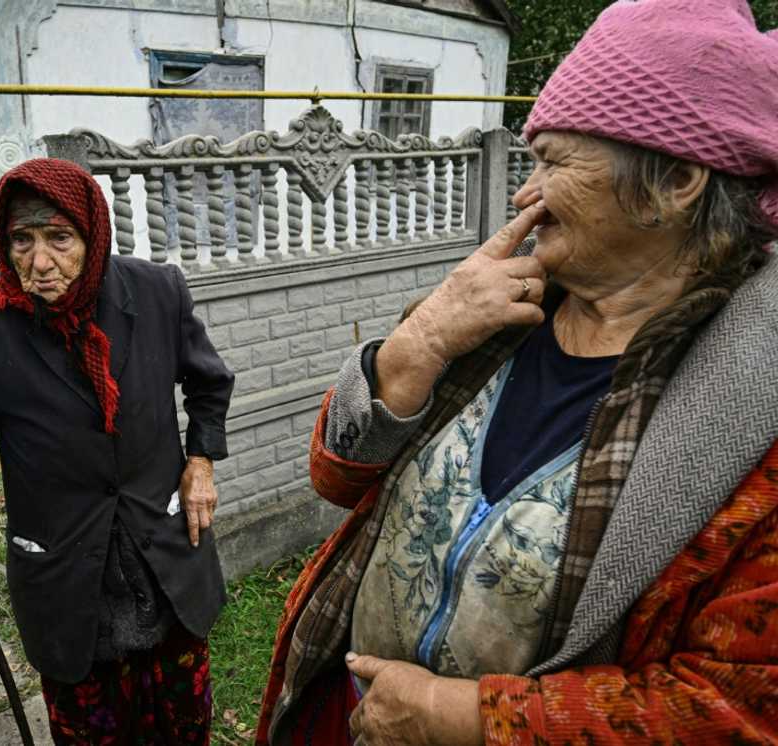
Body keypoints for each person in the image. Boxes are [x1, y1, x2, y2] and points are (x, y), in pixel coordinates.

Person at [258, 1, 778, 743]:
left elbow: (742, 708)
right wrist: (423, 338)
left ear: (677, 178)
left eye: (554, 161)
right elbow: (336, 477)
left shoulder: (755, 399)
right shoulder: (496, 309)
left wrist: (459, 717)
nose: (523, 193)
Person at [0, 158, 235, 743]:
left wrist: (201, 460)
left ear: (92, 233)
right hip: (64, 574)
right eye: (21, 240)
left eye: (60, 238)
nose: (39, 262)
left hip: (163, 559)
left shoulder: (157, 293)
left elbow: (209, 383)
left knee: (184, 728)